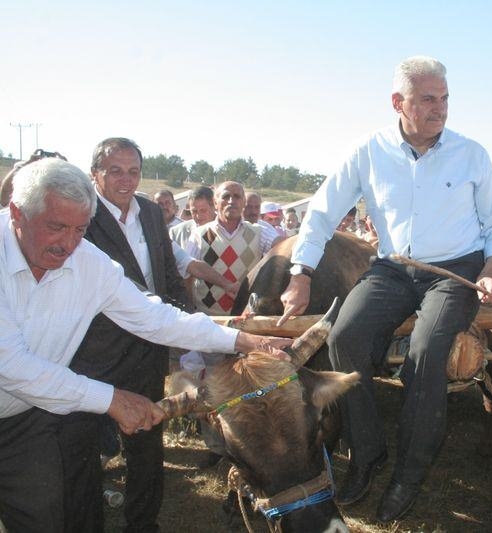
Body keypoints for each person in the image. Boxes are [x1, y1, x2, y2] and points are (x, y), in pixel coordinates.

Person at [278, 55, 492, 522]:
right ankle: (367, 453)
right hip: (393, 268)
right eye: (428, 99)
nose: (440, 108)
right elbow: (322, 213)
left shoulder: (472, 154)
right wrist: (300, 273)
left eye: (444, 99)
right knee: (344, 338)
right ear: (397, 102)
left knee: (426, 352)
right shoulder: (368, 150)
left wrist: (491, 268)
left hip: (454, 271)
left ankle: (410, 471)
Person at [0, 158, 289, 533]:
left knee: (46, 517)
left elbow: (155, 318)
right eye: (56, 228)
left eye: (80, 230)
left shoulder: (89, 262)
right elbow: (11, 366)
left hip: (27, 418)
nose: (68, 244)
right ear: (17, 214)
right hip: (25, 393)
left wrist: (243, 339)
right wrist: (112, 399)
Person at [186, 181, 277, 314]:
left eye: (237, 196)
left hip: (246, 319)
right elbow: (187, 273)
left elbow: (284, 245)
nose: (231, 201)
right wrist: (190, 308)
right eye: (225, 196)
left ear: (244, 202)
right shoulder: (198, 235)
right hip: (209, 319)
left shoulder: (260, 232)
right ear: (215, 202)